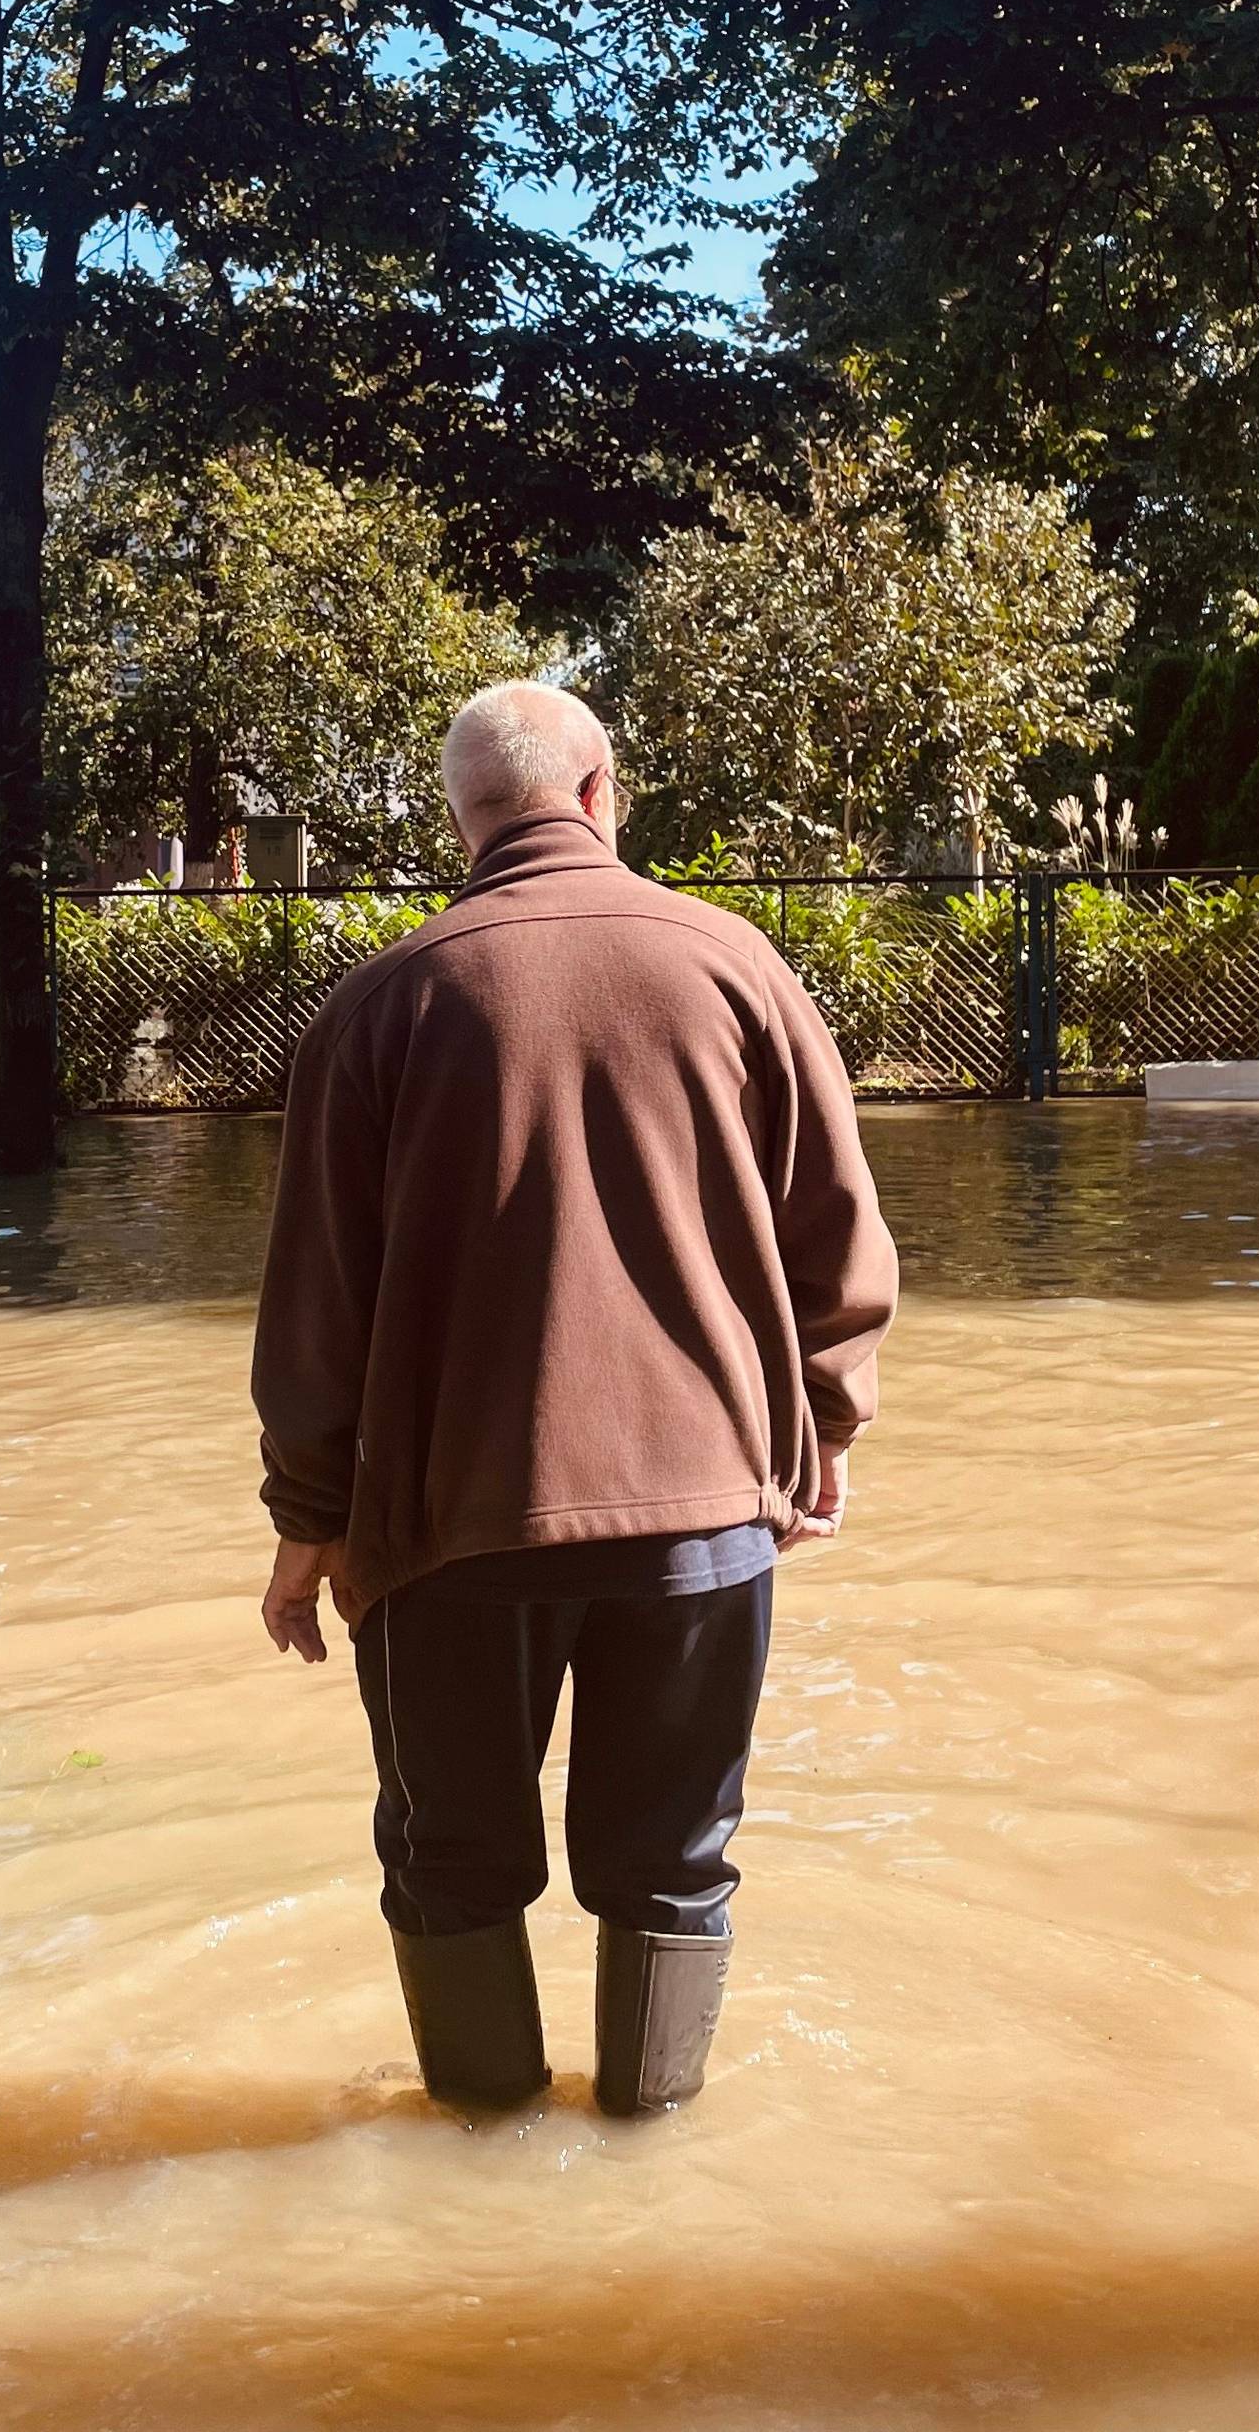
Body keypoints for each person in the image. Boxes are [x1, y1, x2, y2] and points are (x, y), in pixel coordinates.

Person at [251, 680, 898, 2116]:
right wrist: (825, 1423)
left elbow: (316, 1310)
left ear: (460, 822)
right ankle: (646, 2161)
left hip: (444, 1536)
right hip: (705, 1523)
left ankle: (477, 2162)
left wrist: (307, 1520)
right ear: (602, 791)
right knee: (673, 1864)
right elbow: (838, 1239)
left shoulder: (381, 1006)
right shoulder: (738, 970)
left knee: (451, 1862)